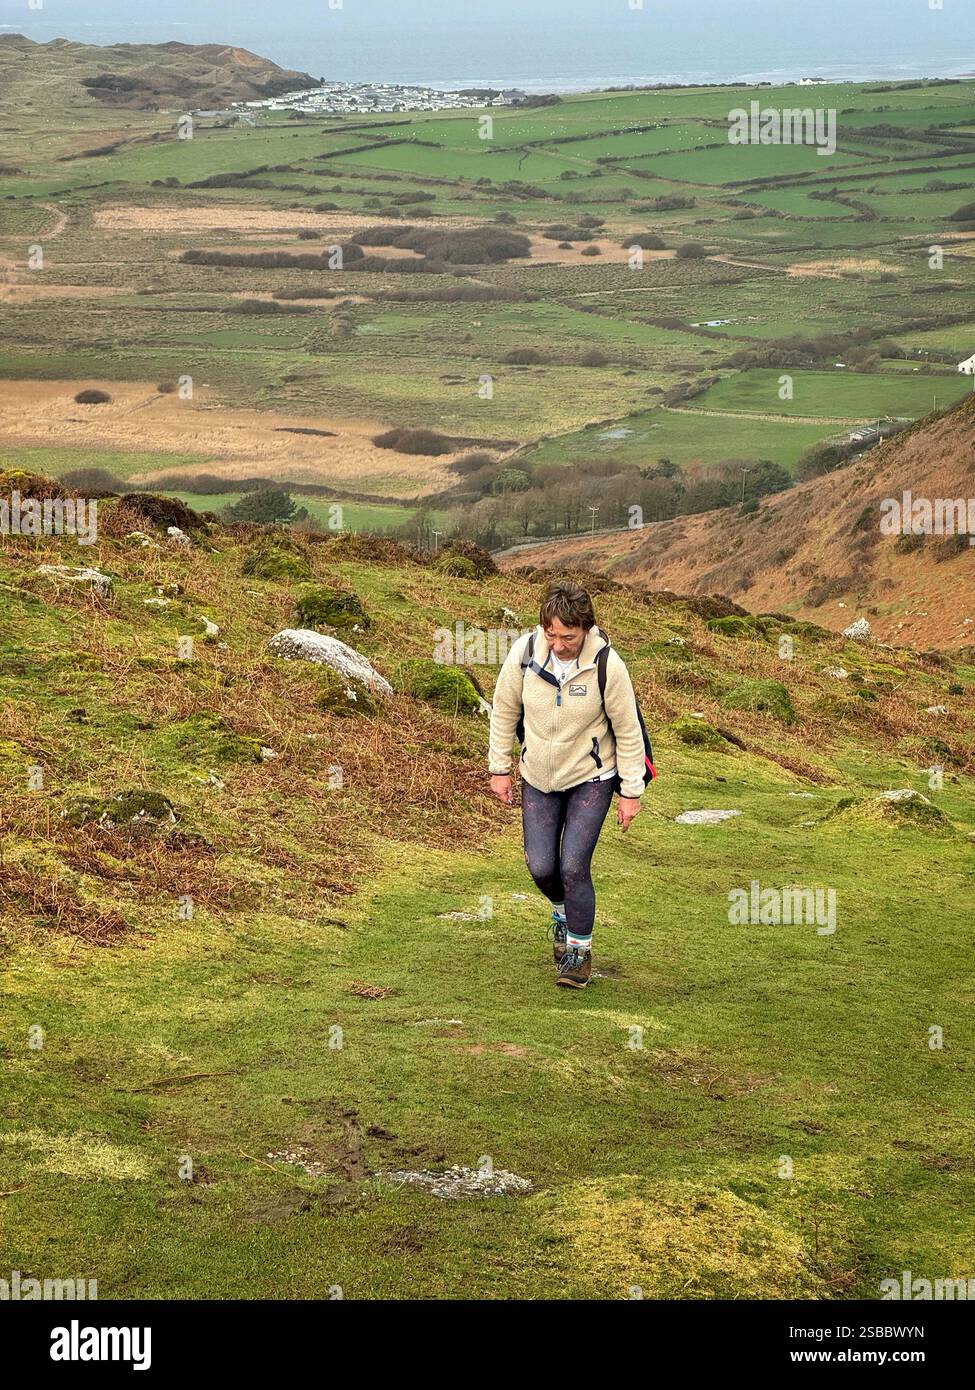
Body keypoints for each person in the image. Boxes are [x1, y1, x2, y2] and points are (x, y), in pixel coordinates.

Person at [488, 580, 645, 989]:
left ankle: (578, 952)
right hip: (537, 775)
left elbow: (628, 731)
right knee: (541, 867)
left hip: (590, 777)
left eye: (568, 637)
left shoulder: (608, 665)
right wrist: (499, 767)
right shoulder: (524, 653)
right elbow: (504, 711)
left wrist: (631, 791)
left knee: (573, 865)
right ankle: (562, 912)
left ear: (587, 629)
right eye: (551, 634)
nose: (558, 645)